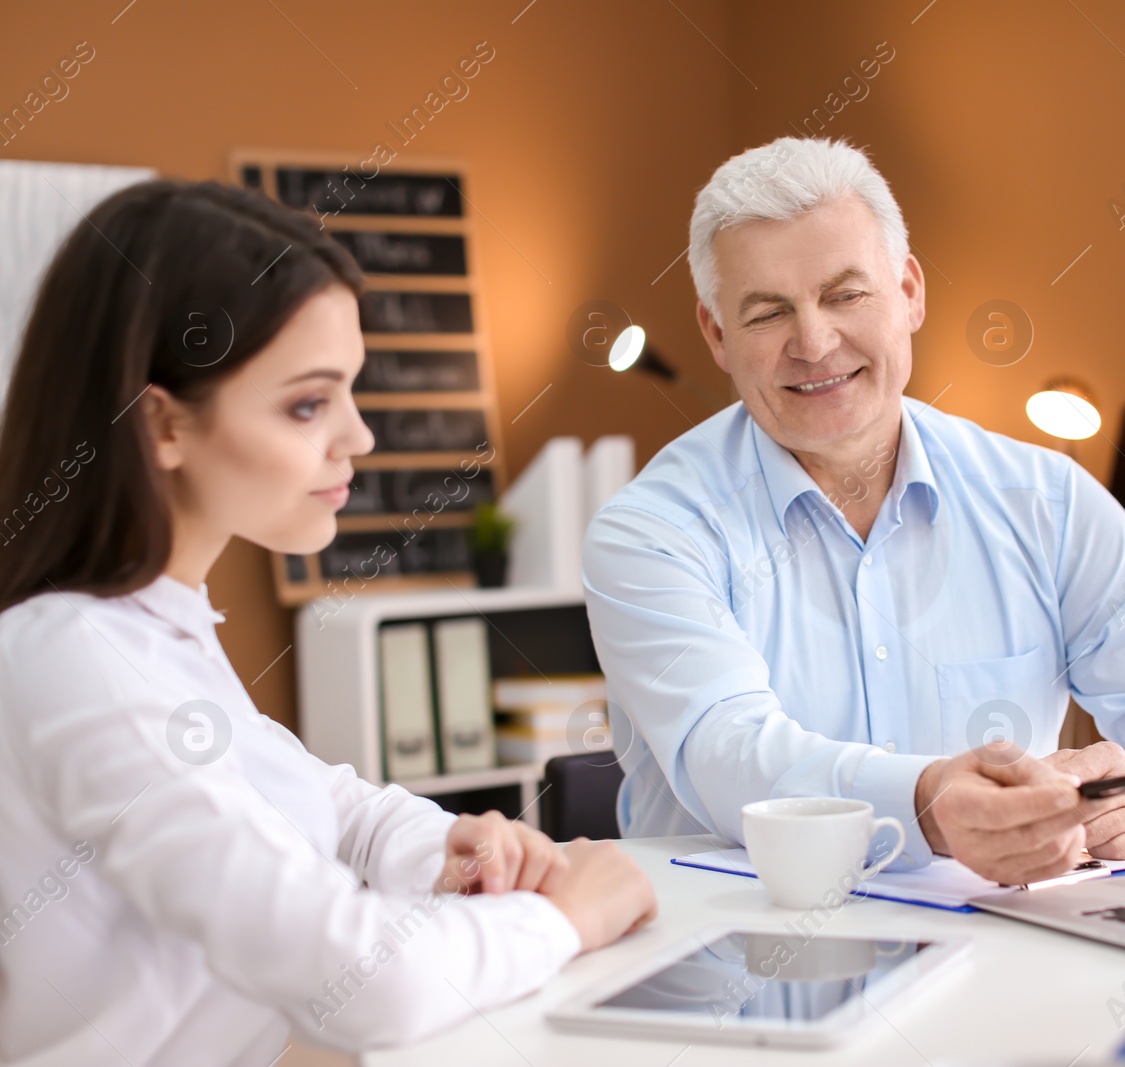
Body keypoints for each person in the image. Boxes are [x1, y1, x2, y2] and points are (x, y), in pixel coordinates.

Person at [0, 180, 656, 1066]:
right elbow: (358, 981)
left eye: (349, 392)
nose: (359, 437)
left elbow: (331, 804)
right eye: (308, 404)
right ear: (161, 423)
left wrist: (450, 848)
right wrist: (559, 919)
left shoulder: (162, 629)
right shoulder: (73, 657)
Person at [582, 137, 1125, 886]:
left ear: (910, 291)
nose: (815, 342)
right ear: (717, 336)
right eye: (767, 313)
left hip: (999, 946)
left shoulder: (1046, 501)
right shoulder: (651, 533)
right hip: (737, 953)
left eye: (846, 294)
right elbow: (729, 755)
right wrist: (928, 804)